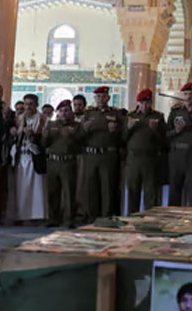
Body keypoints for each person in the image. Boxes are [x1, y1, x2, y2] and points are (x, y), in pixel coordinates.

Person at [81, 86, 126, 219]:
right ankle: (92, 218)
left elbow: (124, 138)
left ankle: (107, 217)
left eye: (103, 96)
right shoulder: (88, 114)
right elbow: (79, 137)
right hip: (91, 156)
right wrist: (84, 130)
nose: (100, 99)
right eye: (98, 96)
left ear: (108, 98)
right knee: (91, 188)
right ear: (94, 98)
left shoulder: (116, 114)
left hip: (108, 155)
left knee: (108, 187)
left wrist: (114, 132)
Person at [123, 89, 166, 215]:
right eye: (142, 103)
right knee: (132, 193)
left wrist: (155, 130)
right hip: (133, 160)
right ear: (138, 103)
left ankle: (150, 220)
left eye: (147, 103)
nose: (145, 106)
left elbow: (163, 141)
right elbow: (122, 139)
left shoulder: (158, 117)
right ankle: (132, 219)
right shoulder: (131, 116)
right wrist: (128, 128)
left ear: (151, 103)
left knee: (150, 194)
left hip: (150, 159)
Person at [41, 99, 83, 227]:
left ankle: (69, 219)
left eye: (67, 111)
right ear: (57, 112)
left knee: (69, 192)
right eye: (61, 111)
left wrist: (71, 137)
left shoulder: (77, 126)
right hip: (53, 162)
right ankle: (53, 218)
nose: (64, 113)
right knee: (53, 192)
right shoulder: (51, 124)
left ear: (71, 112)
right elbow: (44, 144)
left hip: (68, 162)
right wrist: (45, 136)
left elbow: (80, 145)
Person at [10, 94, 47, 224]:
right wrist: (14, 133)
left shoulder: (43, 119)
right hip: (21, 157)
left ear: (36, 105)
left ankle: (36, 216)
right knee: (21, 188)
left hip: (35, 157)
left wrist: (33, 136)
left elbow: (45, 140)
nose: (28, 107)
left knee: (36, 189)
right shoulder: (18, 119)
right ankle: (20, 216)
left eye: (31, 104)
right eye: (26, 104)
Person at [166, 83, 192, 207]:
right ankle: (172, 216)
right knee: (175, 190)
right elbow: (166, 134)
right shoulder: (175, 112)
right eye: (186, 94)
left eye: (191, 94)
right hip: (177, 155)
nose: (188, 97)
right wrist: (176, 131)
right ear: (182, 96)